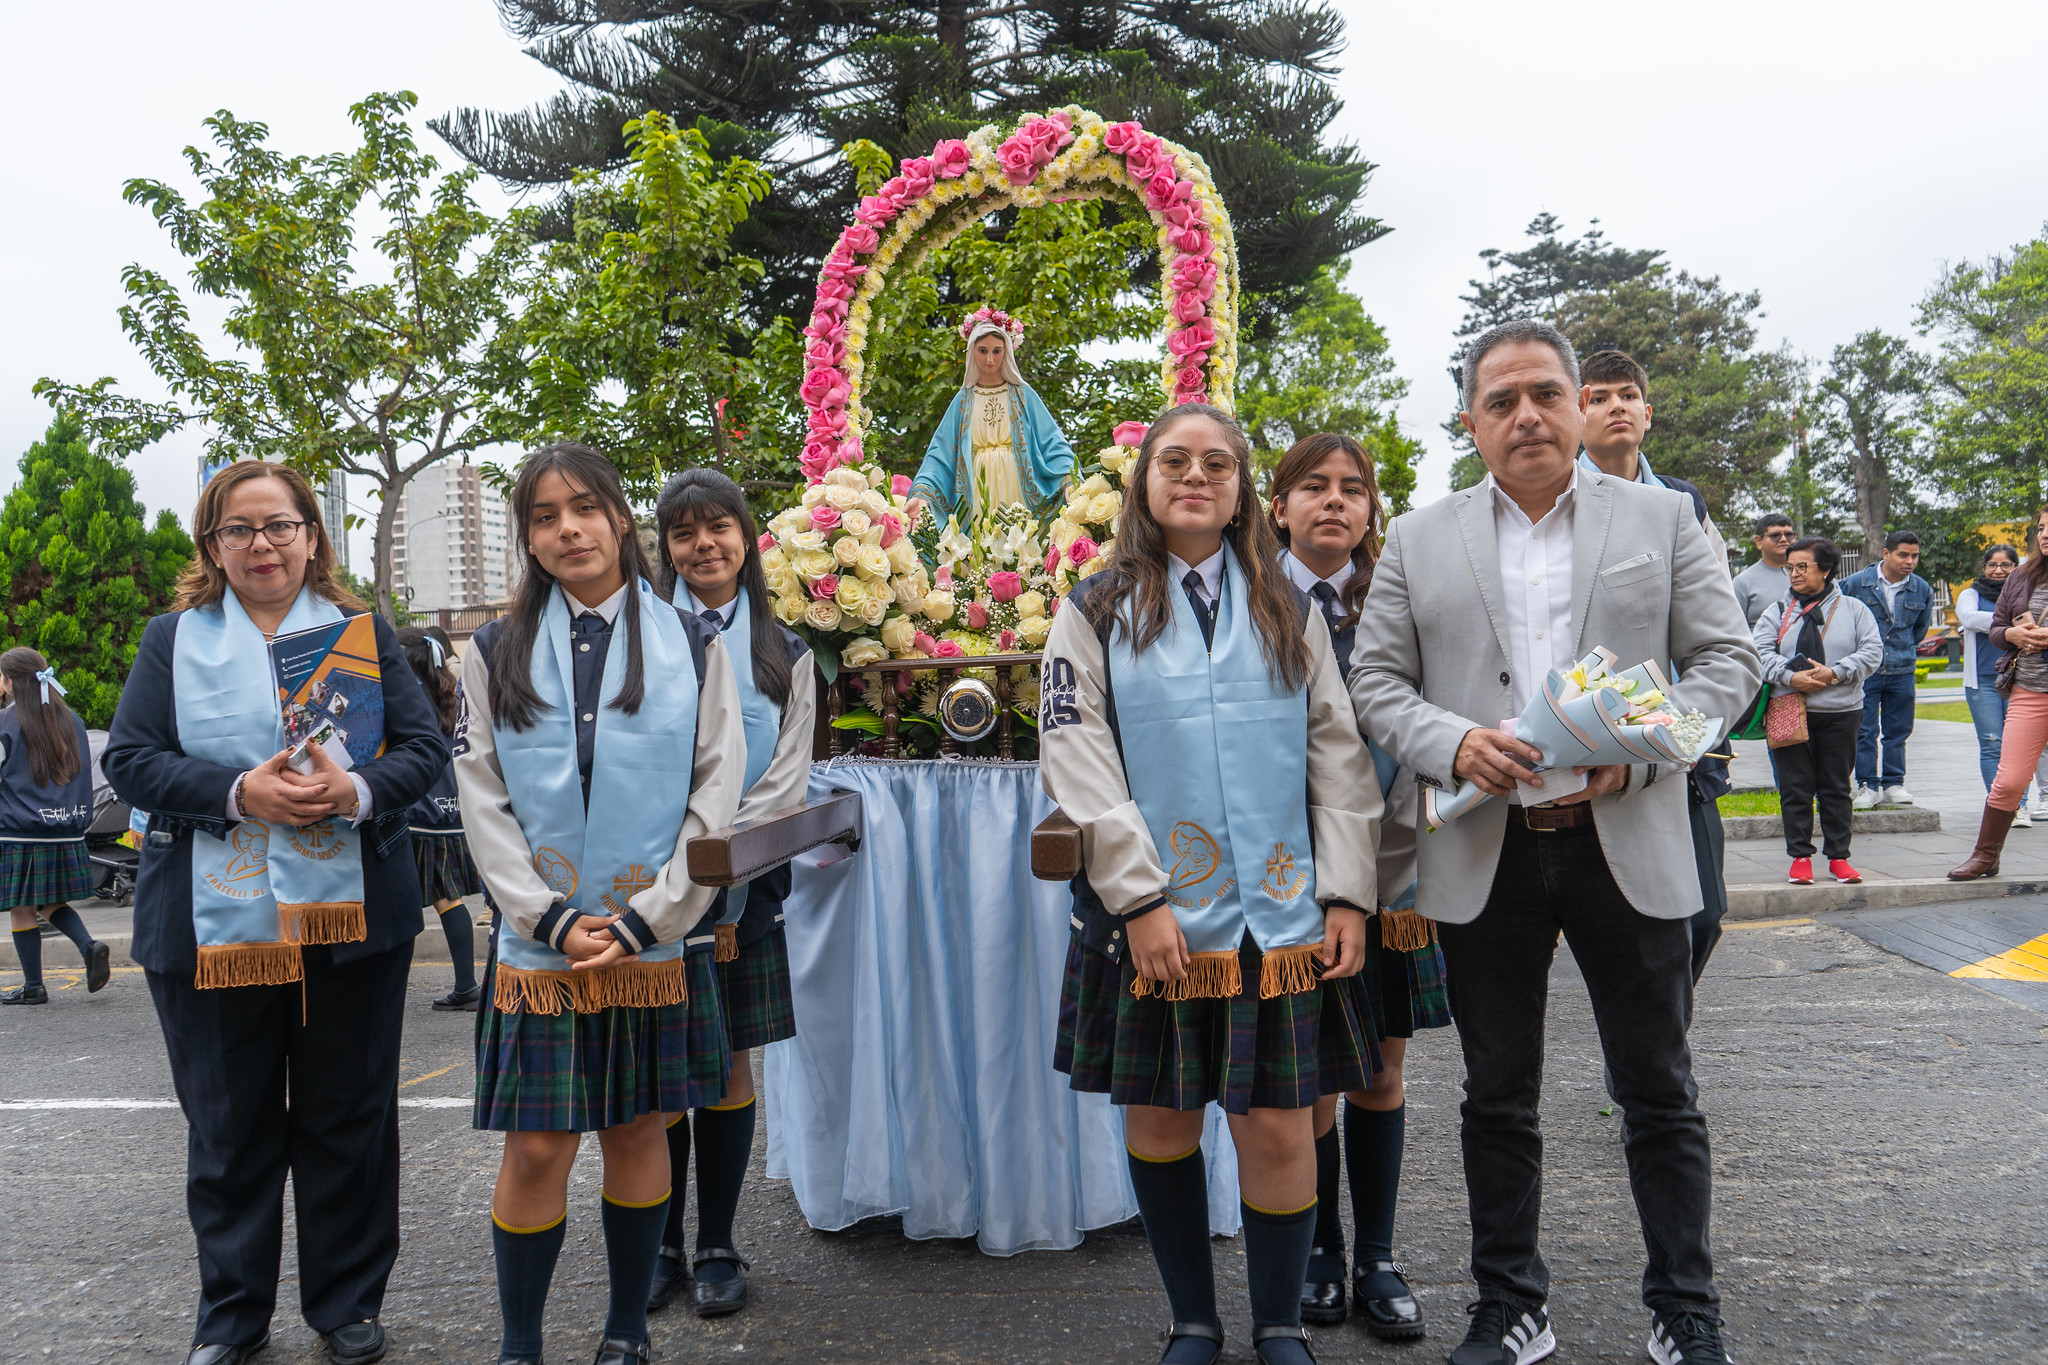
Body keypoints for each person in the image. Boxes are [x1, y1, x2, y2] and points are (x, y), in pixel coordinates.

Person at [1351, 320, 1760, 1365]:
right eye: (1500, 401)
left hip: (1622, 834)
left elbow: (1725, 662)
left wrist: (1648, 749)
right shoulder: (1416, 538)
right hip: (1487, 850)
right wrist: (1451, 743)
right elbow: (1375, 684)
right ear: (1469, 421)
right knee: (1496, 1095)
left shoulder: (1663, 519)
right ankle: (1510, 1305)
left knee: (1658, 1090)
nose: (1525, 416)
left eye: (1543, 394)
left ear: (1579, 404)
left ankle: (1683, 1307)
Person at [1040, 402, 1383, 1365]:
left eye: (1219, 464)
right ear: (1145, 482)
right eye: (1176, 461)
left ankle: (1277, 1323)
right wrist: (1141, 899)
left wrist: (1348, 889)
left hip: (1281, 918)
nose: (1197, 477)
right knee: (1161, 1119)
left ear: (1242, 491)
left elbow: (1337, 753)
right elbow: (1078, 758)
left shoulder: (1287, 604)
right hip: (1158, 922)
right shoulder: (1095, 607)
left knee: (1278, 1124)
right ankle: (1194, 1317)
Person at [102, 460, 448, 1365]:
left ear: (311, 534)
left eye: (280, 525)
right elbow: (132, 761)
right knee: (229, 1125)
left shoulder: (361, 635)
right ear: (211, 546)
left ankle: (346, 1303)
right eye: (239, 529)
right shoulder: (172, 641)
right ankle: (232, 1314)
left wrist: (358, 791)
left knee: (349, 1117)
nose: (262, 544)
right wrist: (234, 790)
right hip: (208, 927)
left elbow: (423, 749)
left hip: (352, 924)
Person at [454, 444, 744, 1365]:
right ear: (529, 539)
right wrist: (541, 916)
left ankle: (625, 1333)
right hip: (541, 948)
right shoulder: (494, 649)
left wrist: (645, 918)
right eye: (545, 516)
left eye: (584, 507)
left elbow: (715, 795)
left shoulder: (696, 641)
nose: (568, 528)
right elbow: (482, 792)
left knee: (635, 1128)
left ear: (621, 518)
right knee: (538, 1145)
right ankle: (520, 1344)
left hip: (646, 942)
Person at [1268, 433, 1449, 1340]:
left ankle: (1377, 1254)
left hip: (1393, 866)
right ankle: (1319, 1251)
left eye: (1353, 489)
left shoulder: (1397, 599)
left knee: (1379, 1068)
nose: (1334, 503)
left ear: (1373, 509)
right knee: (1309, 1082)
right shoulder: (1246, 602)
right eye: (1313, 487)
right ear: (1279, 507)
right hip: (1283, 874)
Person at [645, 469, 817, 1319]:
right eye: (684, 533)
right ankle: (659, 1243)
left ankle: (716, 1240)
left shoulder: (786, 654)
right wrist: (670, 861)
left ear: (746, 541)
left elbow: (786, 784)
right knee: (662, 1067)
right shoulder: (640, 640)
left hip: (739, 886)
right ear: (665, 549)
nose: (703, 545)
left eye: (718, 528)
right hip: (645, 883)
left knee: (727, 1064)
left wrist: (715, 853)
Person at [1573, 349, 1736, 983]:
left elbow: (1720, 633)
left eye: (1627, 395)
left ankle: (1657, 1043)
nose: (1615, 406)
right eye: (1598, 396)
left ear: (1648, 411)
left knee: (1702, 914)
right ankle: (1646, 1048)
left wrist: (1700, 723)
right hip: (1587, 735)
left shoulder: (1682, 503)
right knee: (1615, 919)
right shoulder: (1557, 497)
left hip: (1677, 740)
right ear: (1577, 412)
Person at [1751, 539, 1883, 885]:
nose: (1794, 574)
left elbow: (1872, 652)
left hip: (1841, 713)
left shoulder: (1854, 609)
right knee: (1795, 789)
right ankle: (1799, 858)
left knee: (1836, 788)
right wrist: (1790, 676)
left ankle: (1839, 858)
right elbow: (1757, 653)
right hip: (1788, 710)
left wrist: (1835, 672)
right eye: (1789, 567)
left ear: (1825, 569)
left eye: (1802, 567)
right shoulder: (1777, 611)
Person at [0, 647, 109, 1005]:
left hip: (20, 828)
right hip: (66, 825)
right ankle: (89, 946)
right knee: (46, 901)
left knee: (21, 905)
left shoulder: (7, 723)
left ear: (11, 682)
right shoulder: (71, 718)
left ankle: (34, 986)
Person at [907, 307, 1076, 526]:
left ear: (1007, 351)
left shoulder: (1023, 395)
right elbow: (940, 454)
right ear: (972, 351)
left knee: (1022, 546)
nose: (989, 359)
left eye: (997, 351)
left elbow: (1052, 442)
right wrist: (922, 495)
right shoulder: (963, 401)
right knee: (979, 551)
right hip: (976, 490)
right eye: (982, 350)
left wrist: (1070, 481)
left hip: (1017, 486)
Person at [1951, 504, 2048, 880]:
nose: (2044, 535)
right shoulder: (2022, 575)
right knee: (2008, 780)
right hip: (2030, 689)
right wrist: (2012, 635)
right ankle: (1986, 856)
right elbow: (1997, 628)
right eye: (2041, 528)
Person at [397, 624, 484, 1009]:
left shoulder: (406, 697)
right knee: (447, 899)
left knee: (396, 905)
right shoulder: (451, 694)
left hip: (415, 812)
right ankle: (466, 985)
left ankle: (385, 994)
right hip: (452, 813)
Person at [1840, 531, 1934, 808]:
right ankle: (1867, 785)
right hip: (1864, 671)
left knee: (1898, 730)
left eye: (1914, 556)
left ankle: (1894, 783)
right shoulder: (1856, 584)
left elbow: (1919, 631)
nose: (1910, 561)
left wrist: (1901, 650)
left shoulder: (1921, 589)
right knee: (1864, 730)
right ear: (1886, 553)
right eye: (1903, 555)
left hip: (1902, 669)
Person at [1731, 514, 1796, 628]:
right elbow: (1734, 629)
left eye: (1789, 535)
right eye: (1775, 535)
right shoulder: (1743, 582)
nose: (1784, 539)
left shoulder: (1807, 574)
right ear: (1759, 541)